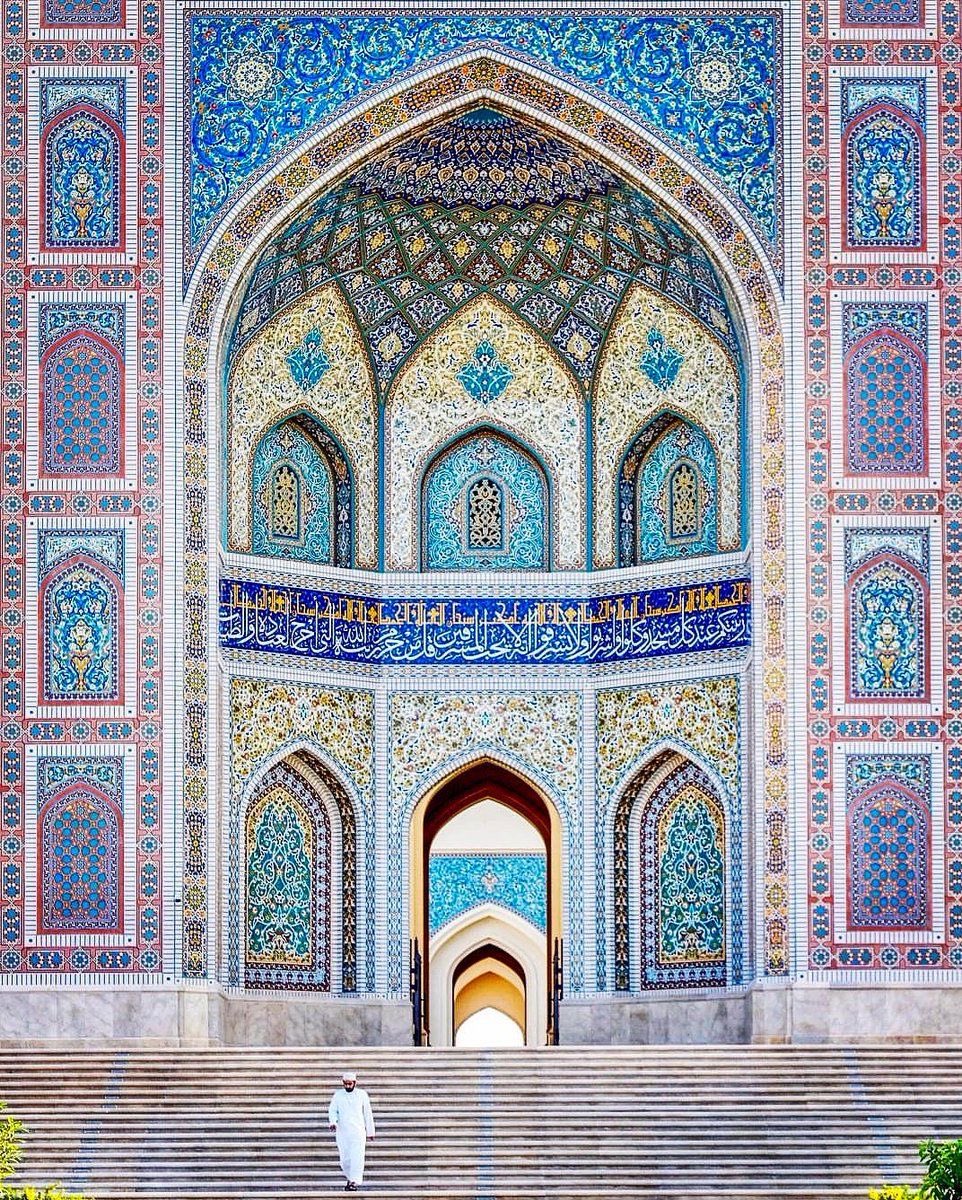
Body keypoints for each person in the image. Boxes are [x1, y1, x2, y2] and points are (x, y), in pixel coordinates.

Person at [328, 1069, 375, 1191]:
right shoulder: (338, 1095)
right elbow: (333, 1110)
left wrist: (370, 1131)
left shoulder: (362, 1095)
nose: (348, 1086)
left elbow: (367, 1113)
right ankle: (349, 1179)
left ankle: (354, 1182)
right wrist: (333, 1122)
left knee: (357, 1157)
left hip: (358, 1132)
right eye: (346, 1083)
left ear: (355, 1083)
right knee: (345, 1159)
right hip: (343, 1132)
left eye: (350, 1083)